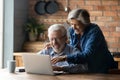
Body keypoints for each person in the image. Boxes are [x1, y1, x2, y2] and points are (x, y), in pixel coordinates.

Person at [51, 8, 117, 73]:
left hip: (101, 69)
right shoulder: (72, 30)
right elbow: (72, 47)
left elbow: (88, 54)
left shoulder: (94, 31)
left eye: (76, 24)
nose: (73, 27)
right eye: (71, 24)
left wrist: (65, 58)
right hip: (84, 68)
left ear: (85, 23)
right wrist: (57, 43)